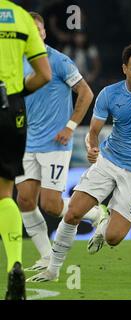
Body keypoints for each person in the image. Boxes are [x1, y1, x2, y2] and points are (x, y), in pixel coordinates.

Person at [27, 43, 131, 283]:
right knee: (72, 214)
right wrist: (92, 148)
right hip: (108, 162)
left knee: (113, 238)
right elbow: (93, 132)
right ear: (124, 69)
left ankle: (104, 224)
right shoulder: (109, 94)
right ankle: (53, 269)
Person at [15, 12, 104, 273]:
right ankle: (45, 256)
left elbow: (86, 93)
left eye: (38, 29)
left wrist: (70, 125)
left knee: (51, 205)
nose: (35, 33)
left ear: (43, 33)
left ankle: (95, 213)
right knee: (25, 200)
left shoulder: (58, 60)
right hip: (26, 142)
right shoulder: (15, 62)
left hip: (55, 143)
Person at [0, 0, 52, 300]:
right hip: (11, 110)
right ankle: (15, 264)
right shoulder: (20, 18)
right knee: (5, 193)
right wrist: (17, 92)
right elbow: (43, 74)